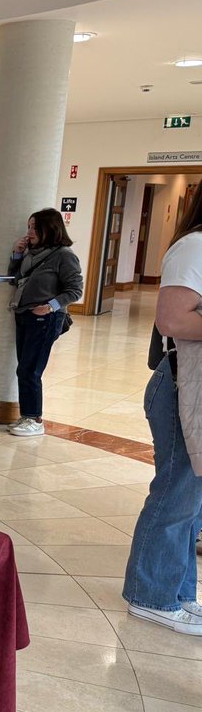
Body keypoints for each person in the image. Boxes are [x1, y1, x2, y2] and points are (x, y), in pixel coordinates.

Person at [122, 186, 202, 636]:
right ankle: (149, 595)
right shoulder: (194, 246)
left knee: (193, 501)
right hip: (180, 387)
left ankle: (179, 592)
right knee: (177, 491)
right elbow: (172, 320)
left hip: (193, 387)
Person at [7, 208, 83, 436]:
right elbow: (16, 280)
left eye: (34, 227)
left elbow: (75, 290)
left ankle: (34, 419)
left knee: (31, 370)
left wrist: (50, 306)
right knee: (24, 368)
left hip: (46, 318)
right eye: (28, 227)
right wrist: (17, 255)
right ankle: (26, 415)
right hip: (23, 314)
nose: (29, 232)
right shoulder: (31, 253)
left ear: (48, 229)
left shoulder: (64, 255)